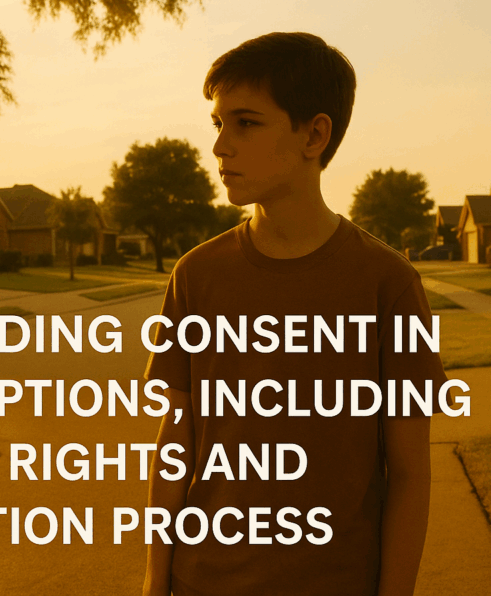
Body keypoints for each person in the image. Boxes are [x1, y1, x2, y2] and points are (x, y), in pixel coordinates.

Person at [142, 32, 447, 596]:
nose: (220, 146)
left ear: (314, 134)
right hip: (204, 581)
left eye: (246, 123)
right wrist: (154, 582)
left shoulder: (388, 284)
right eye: (218, 124)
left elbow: (409, 473)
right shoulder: (196, 277)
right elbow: (174, 446)